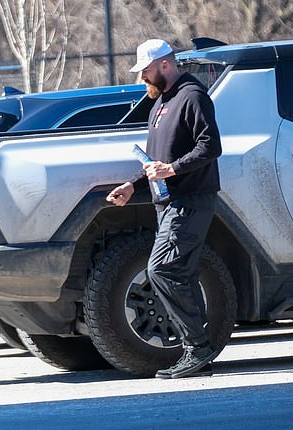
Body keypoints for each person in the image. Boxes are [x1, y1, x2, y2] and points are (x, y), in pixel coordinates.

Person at [106, 39, 222, 379]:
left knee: (163, 271)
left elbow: (211, 146)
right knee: (179, 274)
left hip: (190, 200)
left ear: (165, 65)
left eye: (145, 70)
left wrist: (172, 170)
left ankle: (198, 348)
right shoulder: (160, 103)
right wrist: (132, 185)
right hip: (168, 202)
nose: (142, 77)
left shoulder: (191, 96)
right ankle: (200, 353)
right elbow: (154, 162)